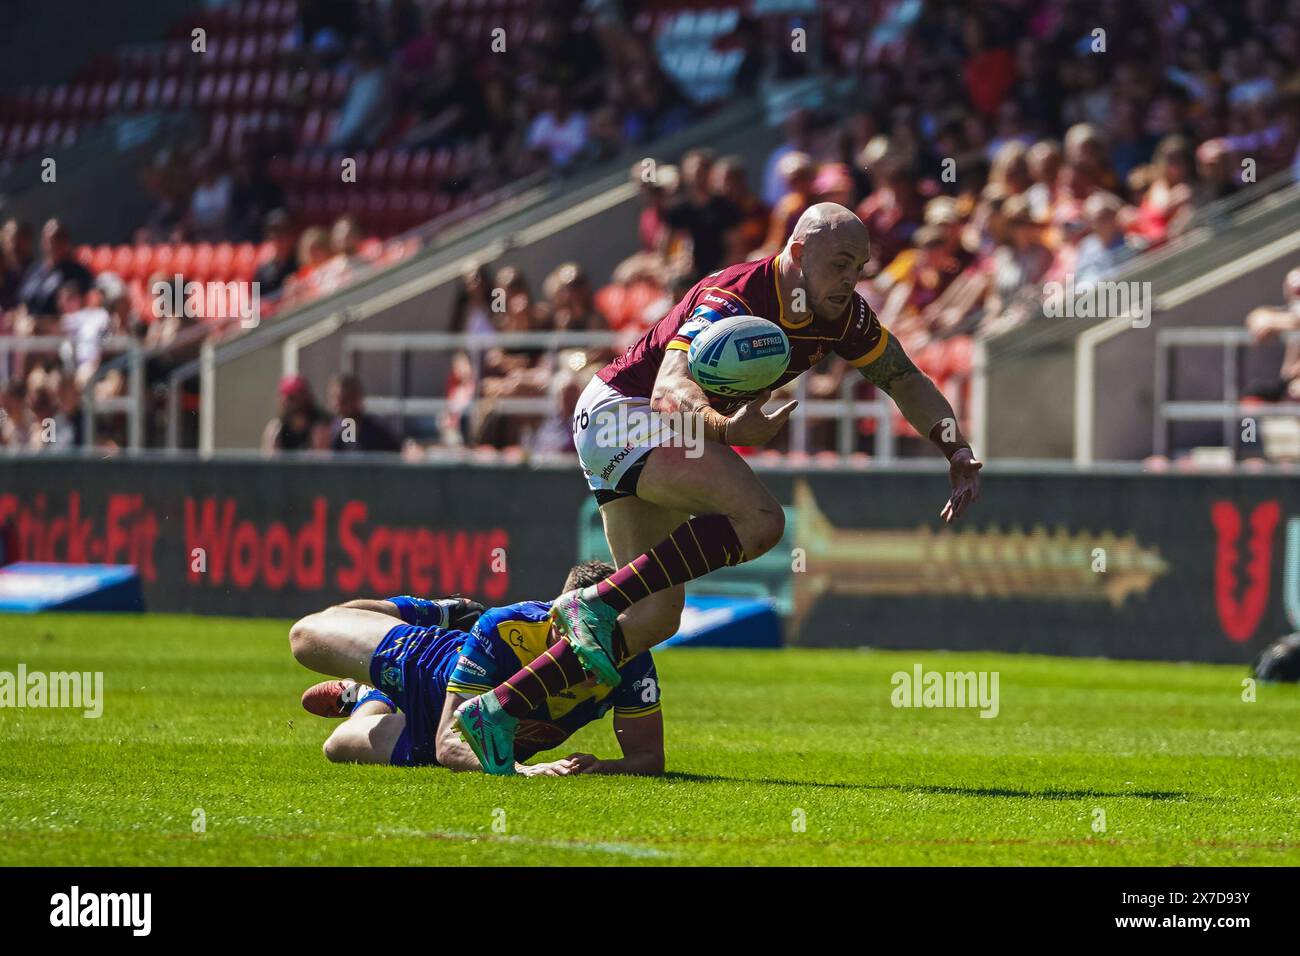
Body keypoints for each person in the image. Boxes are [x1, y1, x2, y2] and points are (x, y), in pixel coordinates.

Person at [455, 202, 982, 773]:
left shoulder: (842, 313)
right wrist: (729, 428)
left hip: (636, 425)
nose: (851, 278)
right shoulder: (733, 295)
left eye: (860, 266)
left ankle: (498, 710)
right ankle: (592, 603)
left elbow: (902, 377)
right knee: (760, 521)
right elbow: (667, 392)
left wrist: (953, 446)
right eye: (841, 264)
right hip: (624, 413)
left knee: (655, 619)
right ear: (798, 253)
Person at [290, 561, 664, 776]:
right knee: (304, 636)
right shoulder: (506, 626)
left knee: (335, 746)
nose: (600, 649)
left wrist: (603, 766)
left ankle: (366, 696)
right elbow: (450, 740)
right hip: (424, 666)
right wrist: (519, 771)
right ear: (561, 616)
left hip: (439, 738)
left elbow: (649, 757)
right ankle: (436, 611)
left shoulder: (631, 655)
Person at [327, 372, 400, 452]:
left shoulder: (377, 433)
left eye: (344, 400)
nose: (338, 406)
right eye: (334, 398)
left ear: (357, 400)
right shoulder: (331, 433)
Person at [262, 374, 330, 454]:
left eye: (298, 396)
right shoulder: (276, 429)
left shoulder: (319, 428)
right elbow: (270, 462)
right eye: (290, 397)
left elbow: (320, 462)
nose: (293, 404)